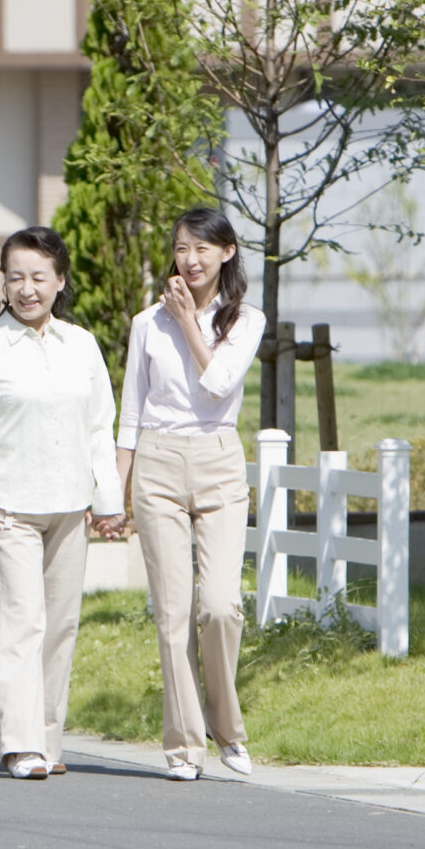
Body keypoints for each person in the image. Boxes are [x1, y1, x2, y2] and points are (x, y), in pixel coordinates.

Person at [0, 226, 120, 781]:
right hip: (8, 503)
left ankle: (48, 739)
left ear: (60, 281)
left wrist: (107, 499)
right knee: (23, 621)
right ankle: (20, 744)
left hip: (70, 504)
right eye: (16, 277)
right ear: (3, 281)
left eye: (39, 277)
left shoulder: (82, 345)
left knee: (61, 625)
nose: (27, 289)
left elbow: (100, 427)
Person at [116, 205, 266, 782]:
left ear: (226, 252)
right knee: (173, 614)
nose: (191, 258)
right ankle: (184, 747)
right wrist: (115, 491)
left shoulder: (245, 319)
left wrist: (186, 322)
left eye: (203, 248)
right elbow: (130, 412)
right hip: (156, 460)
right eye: (182, 247)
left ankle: (227, 728)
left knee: (220, 606)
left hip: (218, 459)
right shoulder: (144, 323)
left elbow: (218, 384)